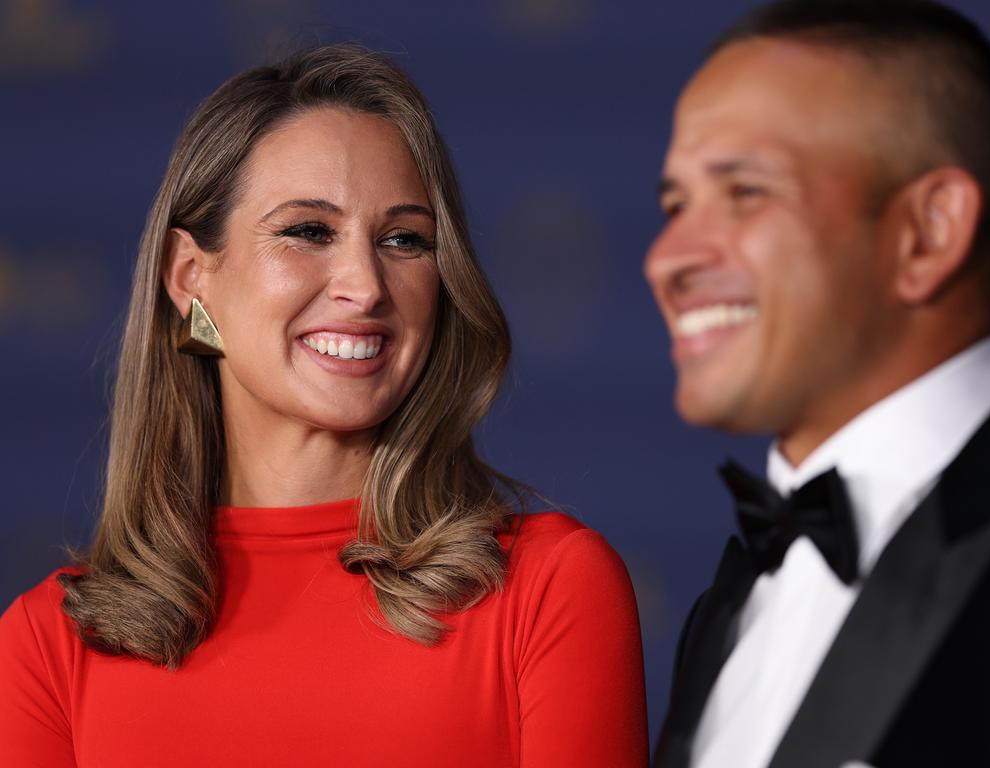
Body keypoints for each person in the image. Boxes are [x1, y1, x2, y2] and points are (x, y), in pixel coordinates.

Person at [0, 45, 648, 767]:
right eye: (309, 231)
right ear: (189, 278)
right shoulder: (47, 645)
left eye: (405, 240)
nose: (365, 284)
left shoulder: (549, 589)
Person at [645, 1, 990, 766]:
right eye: (677, 205)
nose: (666, 259)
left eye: (745, 191)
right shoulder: (729, 603)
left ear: (928, 232)